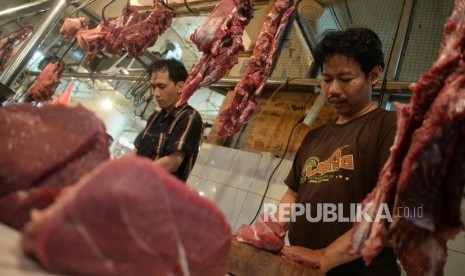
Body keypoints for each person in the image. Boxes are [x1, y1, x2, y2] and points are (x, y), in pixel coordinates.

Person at [271, 27, 400, 275]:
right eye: (327, 79)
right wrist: (272, 230)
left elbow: (394, 212)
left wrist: (324, 257)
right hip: (304, 268)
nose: (333, 90)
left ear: (373, 75)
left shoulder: (390, 127)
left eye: (345, 79)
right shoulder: (314, 137)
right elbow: (293, 194)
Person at [133, 59, 203, 182]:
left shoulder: (189, 116)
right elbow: (137, 150)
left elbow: (173, 162)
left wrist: (136, 174)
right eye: (153, 87)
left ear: (180, 87)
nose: (156, 93)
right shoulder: (155, 116)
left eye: (161, 86)